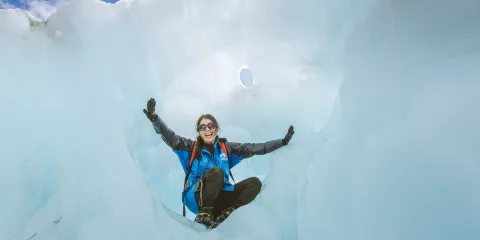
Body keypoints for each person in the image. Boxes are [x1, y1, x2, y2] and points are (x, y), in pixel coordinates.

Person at [143, 98, 295, 228]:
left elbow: (253, 148)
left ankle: (228, 213)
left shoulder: (226, 149)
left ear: (216, 129)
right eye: (202, 127)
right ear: (199, 131)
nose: (207, 129)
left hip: (221, 197)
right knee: (217, 172)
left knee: (254, 183)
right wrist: (155, 119)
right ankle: (204, 214)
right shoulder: (189, 148)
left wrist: (281, 142)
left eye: (211, 126)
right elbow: (170, 137)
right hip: (197, 197)